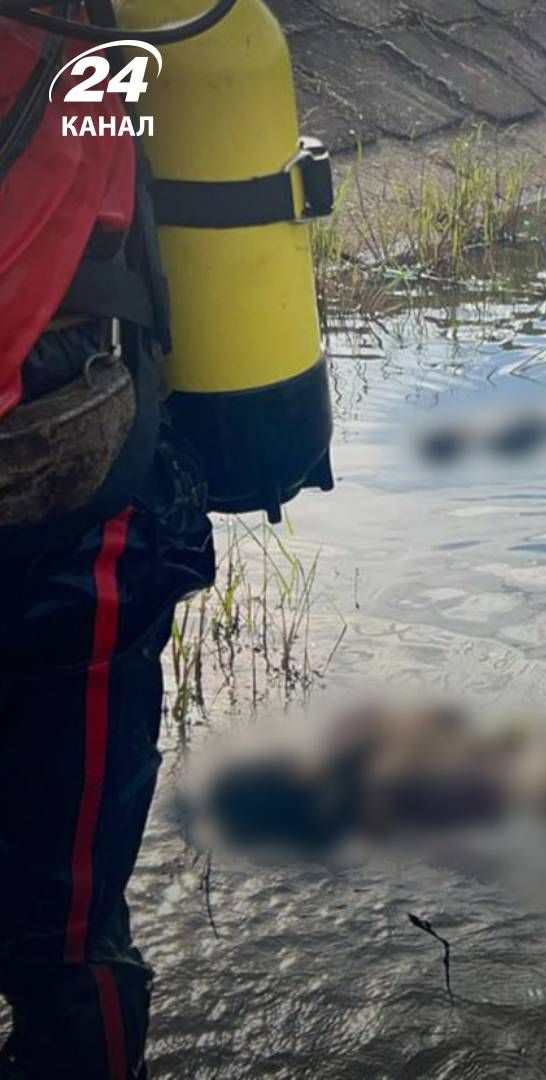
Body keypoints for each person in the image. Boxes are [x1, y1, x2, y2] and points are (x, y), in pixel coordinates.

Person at [1, 17, 215, 1078]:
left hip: (71, 493)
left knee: (66, 942)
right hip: (79, 496)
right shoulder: (85, 33)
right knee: (67, 942)